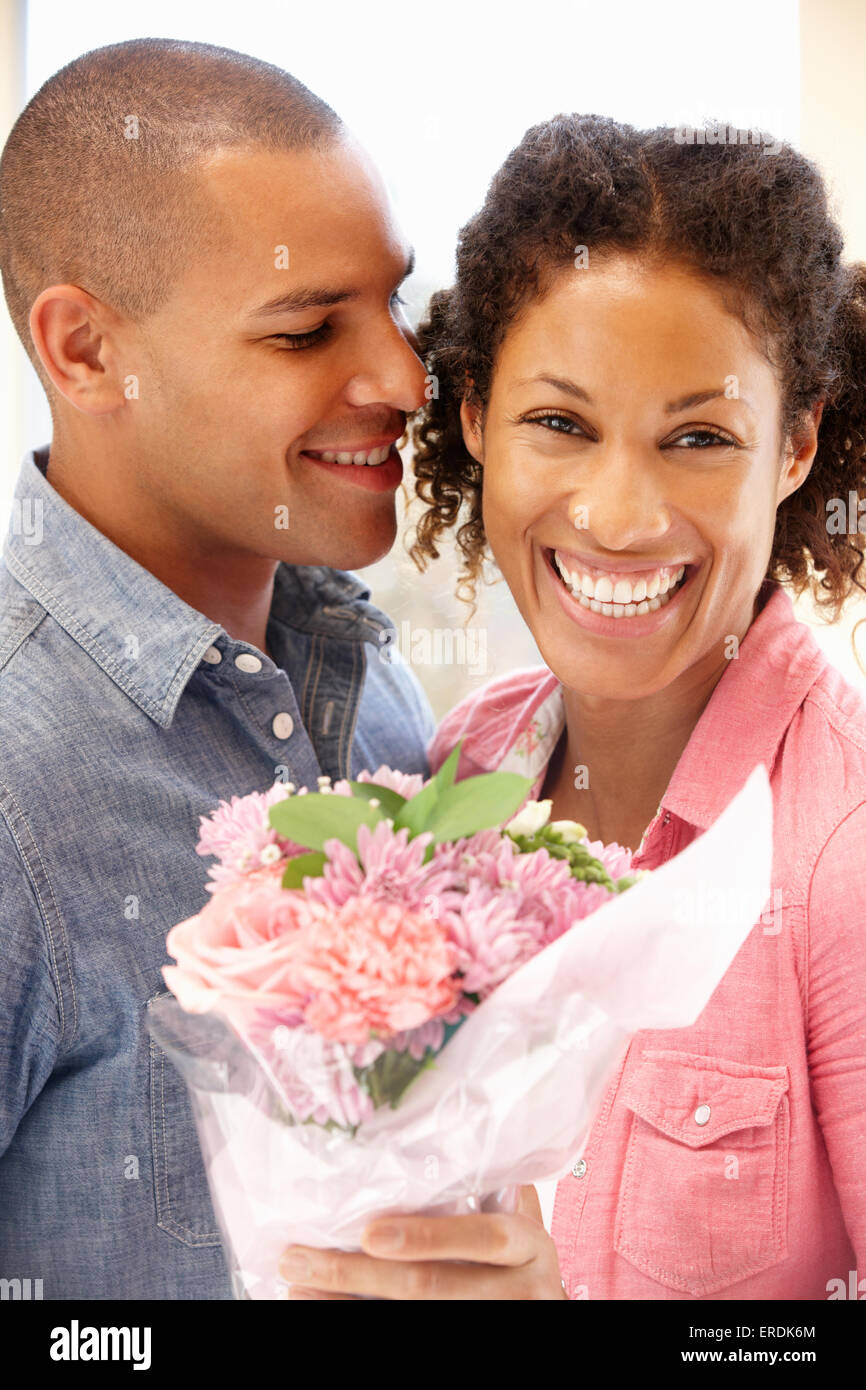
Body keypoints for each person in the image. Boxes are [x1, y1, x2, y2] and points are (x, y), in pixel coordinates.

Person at [279, 114, 866, 1300]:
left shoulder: (838, 851)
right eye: (560, 423)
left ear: (794, 445)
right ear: (474, 418)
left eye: (697, 436)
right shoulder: (464, 761)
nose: (616, 515)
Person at [0, 37, 437, 1299]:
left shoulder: (372, 685)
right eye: (306, 331)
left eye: (395, 305)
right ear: (85, 353)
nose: (404, 378)